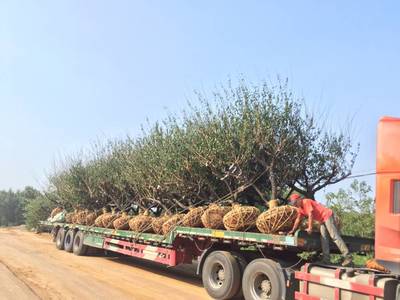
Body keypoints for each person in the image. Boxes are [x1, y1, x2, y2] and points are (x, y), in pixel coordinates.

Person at [288, 194, 353, 267]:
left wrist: (310, 227)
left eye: (295, 203)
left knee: (334, 236)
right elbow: (298, 219)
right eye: (294, 204)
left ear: (299, 199)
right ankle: (326, 260)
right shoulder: (300, 208)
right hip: (322, 220)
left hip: (327, 215)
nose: (295, 205)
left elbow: (310, 214)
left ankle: (348, 257)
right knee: (324, 239)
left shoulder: (306, 202)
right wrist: (293, 230)